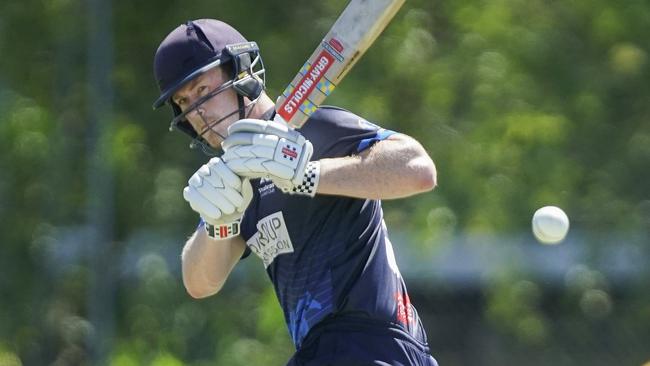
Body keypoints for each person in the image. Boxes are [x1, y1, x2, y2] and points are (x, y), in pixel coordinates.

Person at [152, 19, 439, 366]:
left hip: (372, 342)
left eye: (201, 91)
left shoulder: (313, 130)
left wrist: (306, 174)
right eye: (184, 102)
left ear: (242, 73)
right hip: (321, 352)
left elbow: (418, 169)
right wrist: (219, 224)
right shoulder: (235, 181)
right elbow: (199, 282)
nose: (196, 112)